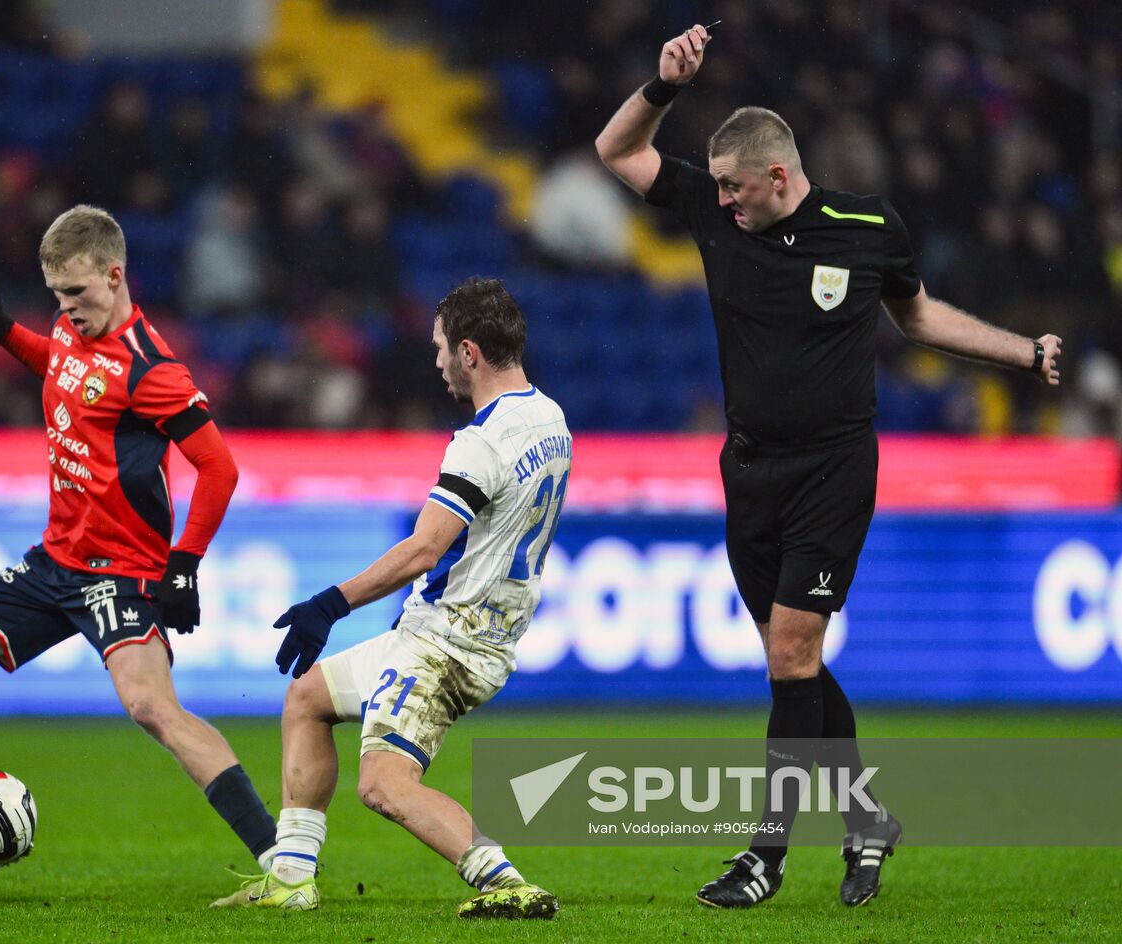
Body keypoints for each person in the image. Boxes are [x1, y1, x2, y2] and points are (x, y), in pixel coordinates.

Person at [595, 24, 1063, 909]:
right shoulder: (711, 210)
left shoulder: (867, 228)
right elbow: (615, 150)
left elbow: (919, 320)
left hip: (834, 470)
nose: (724, 203)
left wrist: (1018, 352)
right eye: (719, 188)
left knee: (790, 650)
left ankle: (764, 857)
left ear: (779, 176)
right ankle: (866, 822)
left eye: (737, 188)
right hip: (748, 472)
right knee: (795, 664)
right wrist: (662, 86)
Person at [0, 205, 278, 897]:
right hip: (52, 563)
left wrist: (183, 567)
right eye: (57, 298)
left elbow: (219, 469)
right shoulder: (72, 335)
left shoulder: (151, 368)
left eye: (77, 294)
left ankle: (283, 862)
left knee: (152, 708)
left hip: (122, 574)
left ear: (115, 274)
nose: (67, 312)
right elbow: (61, 365)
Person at [211, 277, 571, 919]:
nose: (434, 361)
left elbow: (423, 549)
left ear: (469, 353)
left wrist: (330, 603)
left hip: (446, 640)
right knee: (307, 699)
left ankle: (506, 882)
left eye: (439, 348)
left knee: (382, 783)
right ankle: (292, 877)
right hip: (481, 632)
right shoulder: (551, 418)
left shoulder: (480, 442)